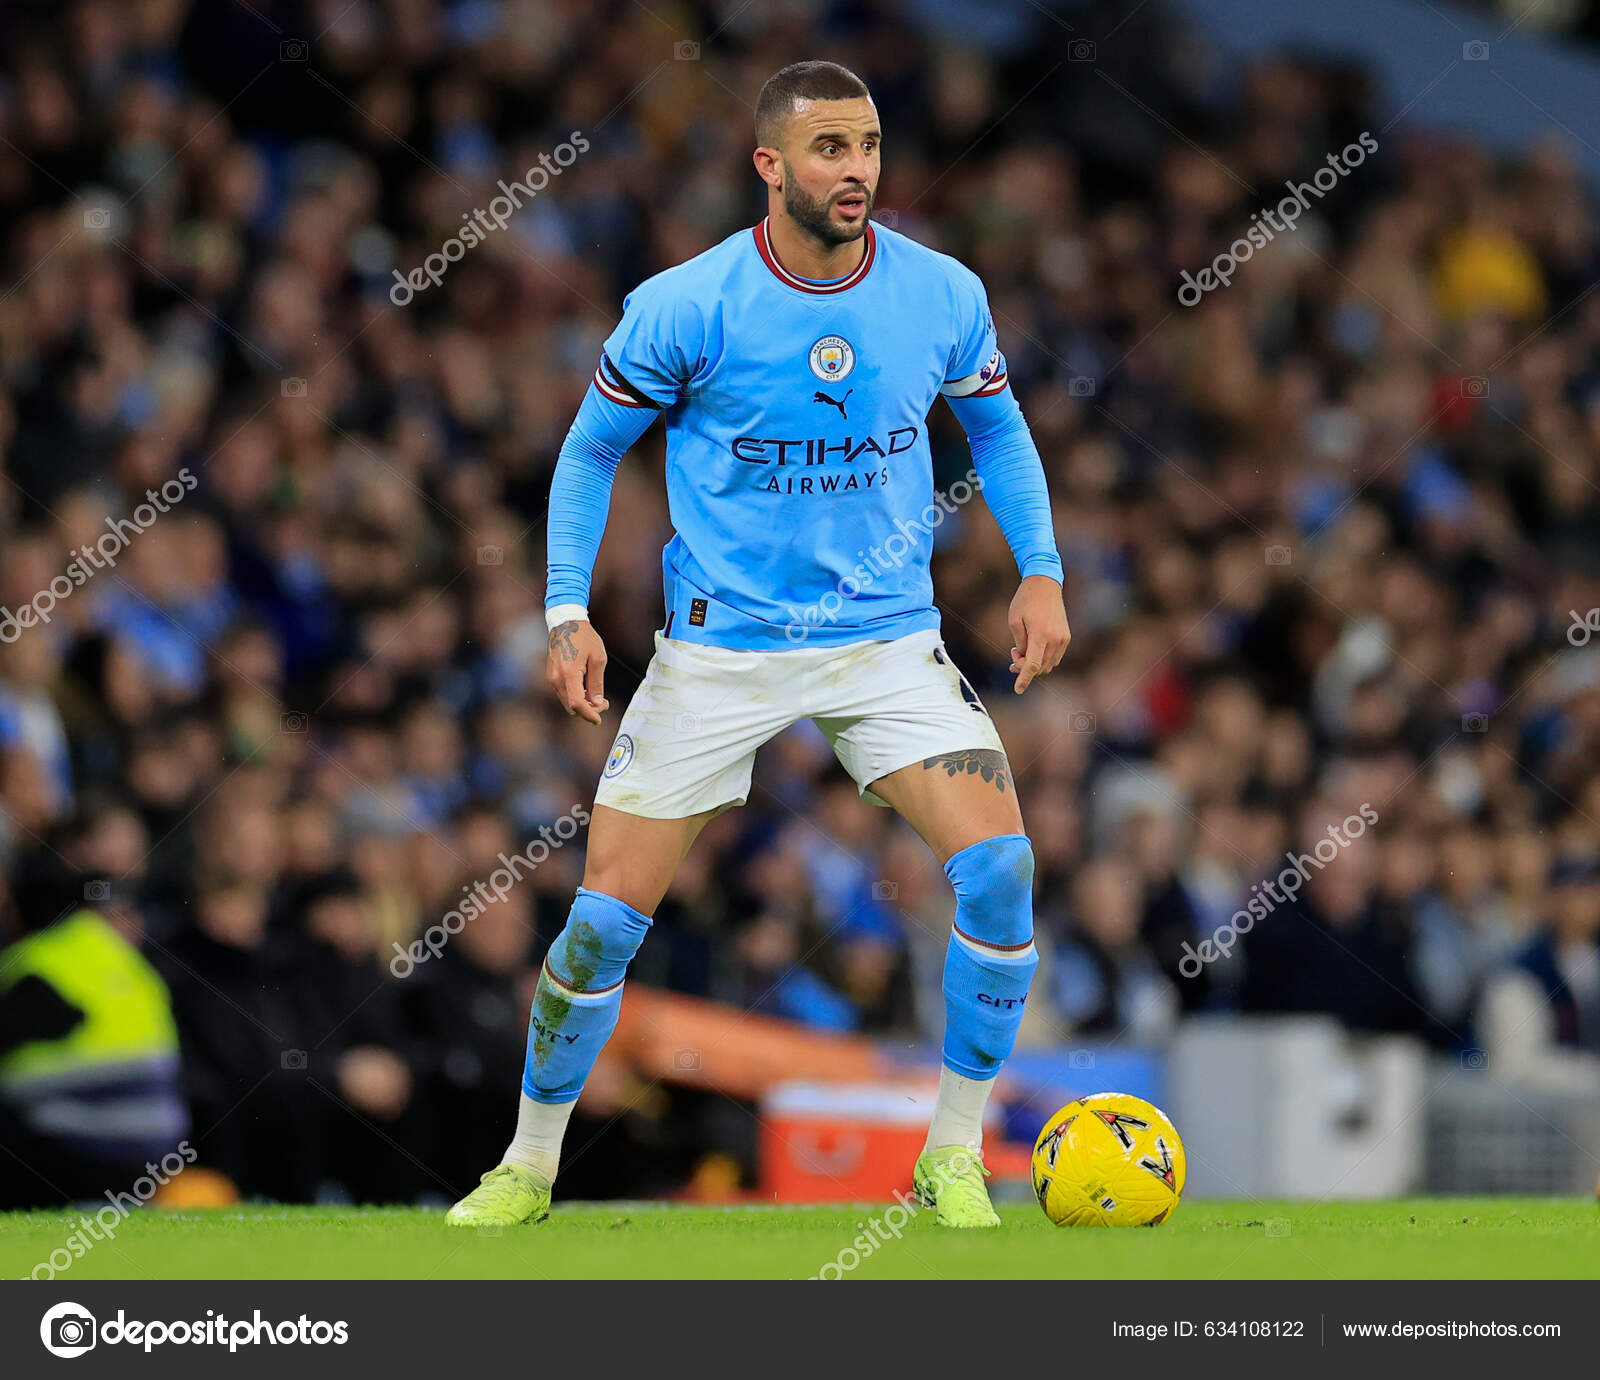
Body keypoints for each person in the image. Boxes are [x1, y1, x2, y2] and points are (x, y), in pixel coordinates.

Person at [448, 60, 1069, 1229]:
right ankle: (528, 1166)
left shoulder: (939, 293)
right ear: (769, 165)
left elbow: (997, 427)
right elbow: (587, 456)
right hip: (717, 650)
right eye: (831, 149)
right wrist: (564, 611)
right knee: (602, 923)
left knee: (1000, 869)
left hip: (885, 641)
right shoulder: (687, 303)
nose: (858, 171)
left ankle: (949, 1153)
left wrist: (1040, 568)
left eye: (871, 146)